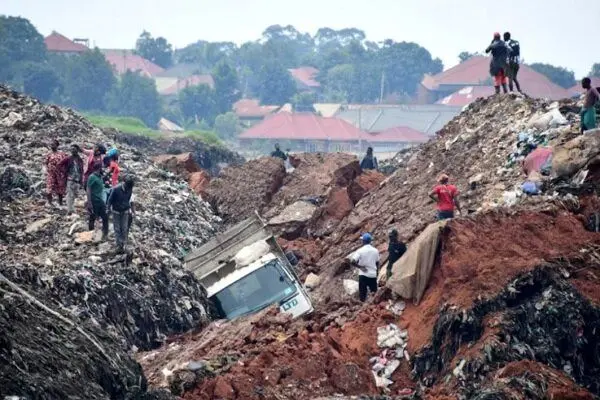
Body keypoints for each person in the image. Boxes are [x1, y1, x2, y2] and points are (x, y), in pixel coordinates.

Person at [107, 175, 136, 253]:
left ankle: (124, 244)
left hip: (125, 211)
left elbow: (128, 199)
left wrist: (130, 210)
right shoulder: (116, 189)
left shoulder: (130, 189)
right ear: (125, 184)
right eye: (128, 187)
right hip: (116, 211)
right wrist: (108, 209)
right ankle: (119, 245)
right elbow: (110, 200)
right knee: (117, 228)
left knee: (124, 228)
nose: (129, 189)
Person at [349, 233, 380, 302]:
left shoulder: (360, 251)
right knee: (374, 294)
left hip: (363, 275)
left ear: (363, 241)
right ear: (370, 241)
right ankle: (374, 308)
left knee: (362, 295)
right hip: (372, 275)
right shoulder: (375, 250)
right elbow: (377, 263)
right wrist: (377, 272)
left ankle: (363, 309)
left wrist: (360, 267)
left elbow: (352, 261)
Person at [59, 144, 84, 214]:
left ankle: (72, 208)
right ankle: (69, 210)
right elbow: (59, 164)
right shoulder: (68, 158)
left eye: (74, 149)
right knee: (70, 195)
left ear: (77, 150)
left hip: (77, 180)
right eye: (71, 149)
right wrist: (64, 171)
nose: (72, 150)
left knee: (74, 195)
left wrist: (81, 180)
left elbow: (81, 170)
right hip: (70, 179)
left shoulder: (79, 159)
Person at [86, 162, 109, 240]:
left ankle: (105, 233)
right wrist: (89, 202)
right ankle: (91, 234)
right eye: (101, 168)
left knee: (105, 217)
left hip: (100, 200)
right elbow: (88, 189)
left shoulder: (99, 177)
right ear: (99, 168)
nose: (103, 169)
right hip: (94, 200)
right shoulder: (92, 177)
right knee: (93, 217)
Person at [44, 139, 68, 206]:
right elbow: (45, 163)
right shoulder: (49, 154)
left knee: (60, 188)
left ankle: (60, 203)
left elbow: (65, 163)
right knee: (49, 188)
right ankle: (49, 202)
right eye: (51, 144)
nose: (52, 146)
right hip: (51, 173)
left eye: (53, 144)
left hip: (59, 174)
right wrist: (46, 170)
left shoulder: (61, 154)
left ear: (57, 145)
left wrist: (64, 172)